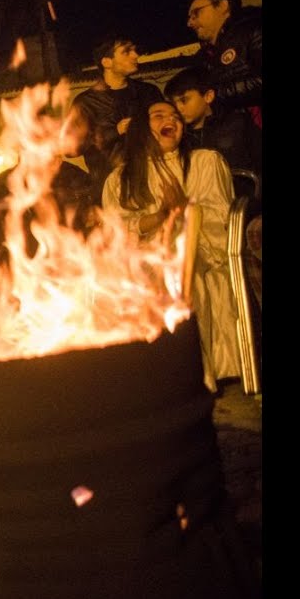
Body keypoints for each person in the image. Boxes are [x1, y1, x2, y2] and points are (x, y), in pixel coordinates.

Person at [101, 102, 240, 393]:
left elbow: (220, 219)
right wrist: (160, 216)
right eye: (159, 116)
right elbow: (115, 231)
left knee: (178, 272)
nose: (172, 120)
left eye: (176, 117)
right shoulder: (119, 179)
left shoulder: (205, 162)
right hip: (142, 257)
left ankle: (193, 375)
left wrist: (184, 209)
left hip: (196, 251)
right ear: (141, 128)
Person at [71, 37, 165, 187]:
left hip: (152, 180)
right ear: (106, 62)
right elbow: (71, 149)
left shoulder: (148, 92)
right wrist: (114, 131)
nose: (135, 55)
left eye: (134, 50)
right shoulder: (86, 102)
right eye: (126, 51)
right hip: (110, 185)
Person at [164, 66, 262, 180]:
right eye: (173, 103)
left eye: (183, 100)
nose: (178, 108)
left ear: (208, 96)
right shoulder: (178, 137)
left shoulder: (237, 123)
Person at [186, 0, 262, 127]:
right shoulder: (203, 57)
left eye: (196, 13)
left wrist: (214, 94)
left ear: (222, 5)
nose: (190, 22)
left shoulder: (253, 29)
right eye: (189, 17)